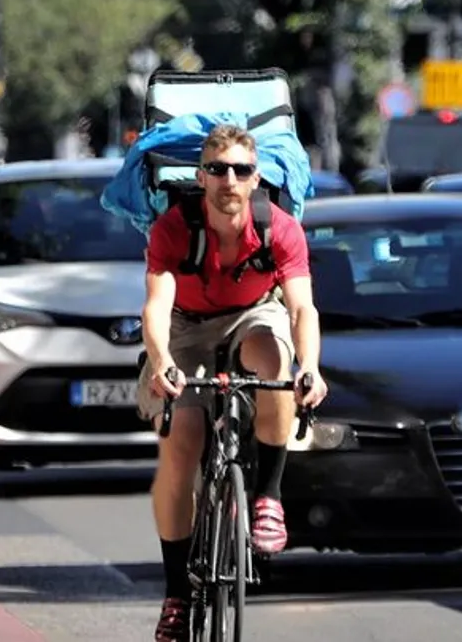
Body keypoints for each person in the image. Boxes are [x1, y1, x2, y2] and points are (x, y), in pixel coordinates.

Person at [137, 124, 326, 642]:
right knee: (181, 441)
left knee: (273, 362)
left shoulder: (279, 229)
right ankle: (177, 595)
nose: (229, 180)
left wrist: (310, 365)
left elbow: (302, 308)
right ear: (201, 177)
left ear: (256, 178)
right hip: (185, 326)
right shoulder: (175, 228)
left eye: (241, 170)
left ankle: (268, 497)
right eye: (217, 170)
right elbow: (156, 308)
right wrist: (162, 363)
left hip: (252, 313)